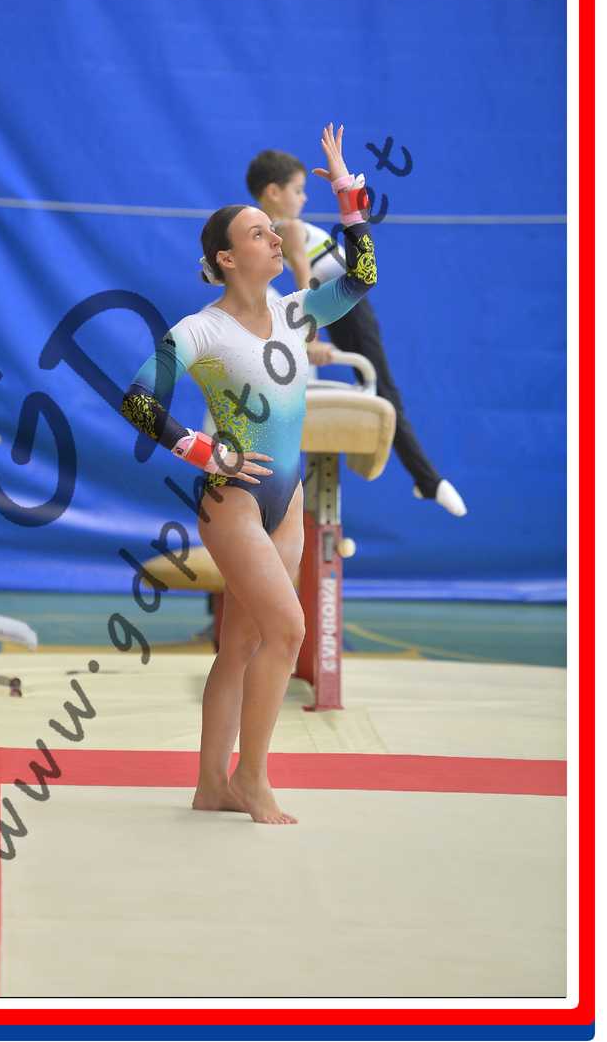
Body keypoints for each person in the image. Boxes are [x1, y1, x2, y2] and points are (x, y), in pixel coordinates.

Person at [120, 124, 376, 824]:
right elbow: (138, 400)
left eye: (273, 230)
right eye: (259, 232)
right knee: (287, 630)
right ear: (228, 258)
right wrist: (206, 452)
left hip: (285, 502)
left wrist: (347, 193)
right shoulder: (199, 330)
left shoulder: (296, 313)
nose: (276, 237)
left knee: (242, 644)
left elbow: (361, 278)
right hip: (232, 500)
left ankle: (212, 784)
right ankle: (253, 780)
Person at [246, 148, 467, 516]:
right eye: (298, 190)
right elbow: (303, 279)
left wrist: (309, 333)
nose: (304, 198)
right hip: (344, 307)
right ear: (272, 192)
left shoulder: (271, 230)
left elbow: (301, 282)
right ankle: (428, 481)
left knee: (382, 391)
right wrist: (310, 337)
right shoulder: (285, 228)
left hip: (346, 308)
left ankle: (427, 480)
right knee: (384, 392)